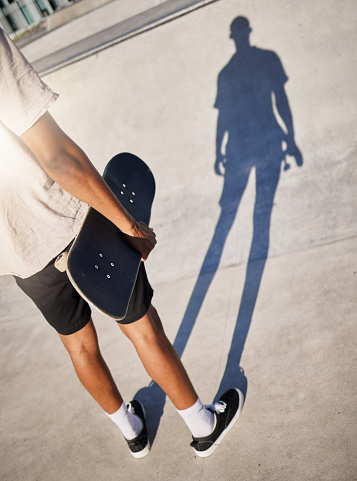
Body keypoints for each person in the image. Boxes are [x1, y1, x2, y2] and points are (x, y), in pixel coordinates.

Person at [0, 28, 243, 459]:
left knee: (77, 345)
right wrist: (127, 224)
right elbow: (57, 156)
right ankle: (203, 424)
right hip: (70, 224)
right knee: (142, 327)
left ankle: (132, 432)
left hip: (19, 253)